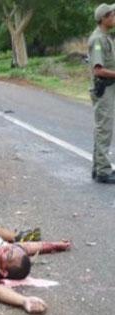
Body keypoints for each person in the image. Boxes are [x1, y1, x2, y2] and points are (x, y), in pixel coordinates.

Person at [89, 4, 115, 183]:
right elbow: (98, 70)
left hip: (109, 87)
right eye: (112, 15)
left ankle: (98, 167)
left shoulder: (106, 37)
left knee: (102, 128)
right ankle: (103, 171)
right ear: (104, 18)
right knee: (104, 128)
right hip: (104, 88)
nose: (114, 18)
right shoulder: (98, 39)